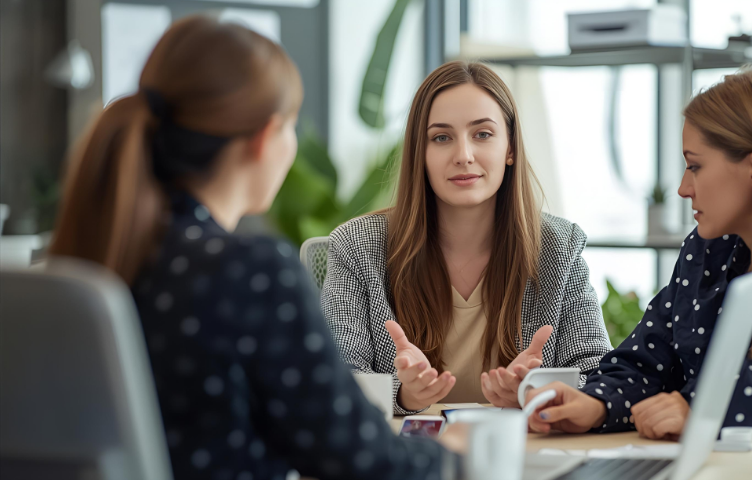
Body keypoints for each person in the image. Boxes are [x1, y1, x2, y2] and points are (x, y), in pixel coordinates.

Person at [50, 16, 461, 480]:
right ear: (267, 138)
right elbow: (359, 460)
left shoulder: (86, 261)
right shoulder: (248, 272)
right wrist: (460, 457)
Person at [525, 69, 752, 438]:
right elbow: (647, 358)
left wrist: (694, 410)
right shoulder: (706, 251)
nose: (683, 188)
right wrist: (595, 404)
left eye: (695, 165)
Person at [321, 61, 611, 415]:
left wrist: (532, 392)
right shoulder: (357, 246)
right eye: (441, 138)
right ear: (420, 153)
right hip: (403, 457)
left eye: (483, 134)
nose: (463, 156)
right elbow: (335, 381)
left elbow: (597, 376)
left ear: (510, 149)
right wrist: (406, 394)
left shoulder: (558, 246)